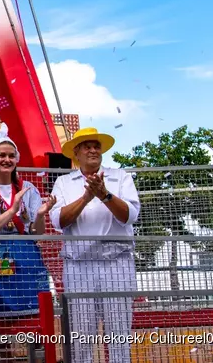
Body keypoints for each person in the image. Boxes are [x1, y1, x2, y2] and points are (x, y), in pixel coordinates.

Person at [48, 127, 141, 363]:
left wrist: (105, 195)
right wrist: (86, 198)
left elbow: (129, 216)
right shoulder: (64, 182)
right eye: (86, 146)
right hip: (79, 265)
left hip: (117, 263)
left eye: (96, 146)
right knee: (81, 335)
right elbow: (58, 220)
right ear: (76, 153)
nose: (93, 149)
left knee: (119, 332)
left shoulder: (120, 177)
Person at [0, 124, 56, 357]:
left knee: (36, 320)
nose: (7, 159)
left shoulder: (28, 188)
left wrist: (41, 215)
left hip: (25, 260)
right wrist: (12, 211)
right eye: (1, 155)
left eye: (11, 155)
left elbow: (36, 233)